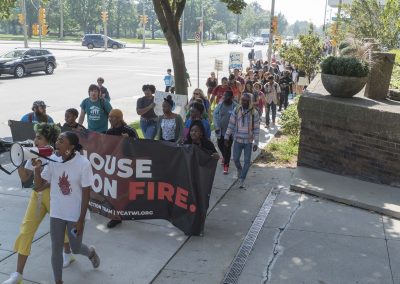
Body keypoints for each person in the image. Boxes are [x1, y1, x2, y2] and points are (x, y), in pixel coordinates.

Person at [2, 123, 73, 284]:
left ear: (49, 140)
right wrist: (19, 162)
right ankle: (18, 274)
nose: (35, 140)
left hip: (53, 197)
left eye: (39, 138)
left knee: (61, 229)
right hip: (37, 197)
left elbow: (50, 181)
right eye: (35, 137)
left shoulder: (55, 156)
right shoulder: (32, 154)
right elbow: (25, 178)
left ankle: (68, 253)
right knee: (26, 230)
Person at [33, 131, 100, 284]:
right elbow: (39, 187)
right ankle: (58, 281)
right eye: (57, 139)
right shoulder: (53, 159)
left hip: (75, 214)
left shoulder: (83, 164)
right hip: (57, 212)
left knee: (75, 248)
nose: (57, 142)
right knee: (56, 247)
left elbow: (86, 194)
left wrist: (81, 219)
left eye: (61, 141)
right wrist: (37, 170)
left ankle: (90, 252)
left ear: (70, 147)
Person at [104, 109, 138, 229]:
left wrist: (128, 141)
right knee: (115, 193)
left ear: (119, 118)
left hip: (128, 166)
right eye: (109, 117)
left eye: (113, 117)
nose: (110, 119)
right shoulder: (109, 132)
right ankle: (116, 217)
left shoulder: (129, 131)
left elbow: (139, 147)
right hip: (114, 166)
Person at [224, 93, 260, 189]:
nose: (243, 102)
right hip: (237, 140)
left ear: (250, 101)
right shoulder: (236, 110)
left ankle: (242, 179)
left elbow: (256, 129)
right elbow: (231, 124)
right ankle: (239, 170)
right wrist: (226, 137)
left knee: (247, 161)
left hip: (248, 142)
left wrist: (256, 142)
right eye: (242, 100)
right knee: (235, 159)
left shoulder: (254, 113)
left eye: (245, 100)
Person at [213, 91, 237, 175]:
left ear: (231, 97)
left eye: (226, 96)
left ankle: (226, 165)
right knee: (220, 145)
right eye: (223, 95)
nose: (224, 97)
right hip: (220, 131)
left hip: (230, 132)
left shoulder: (235, 106)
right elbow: (215, 115)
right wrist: (216, 126)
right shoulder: (220, 105)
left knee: (227, 148)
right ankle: (224, 156)